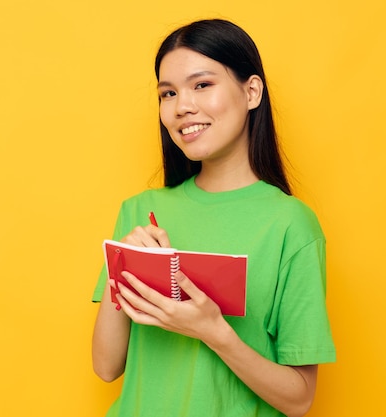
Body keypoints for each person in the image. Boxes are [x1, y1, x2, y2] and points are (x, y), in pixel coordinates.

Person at [91, 19, 335, 417]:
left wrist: (214, 332)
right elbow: (106, 366)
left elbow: (299, 399)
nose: (182, 106)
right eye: (167, 93)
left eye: (202, 85)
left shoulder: (291, 225)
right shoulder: (139, 212)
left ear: (251, 91)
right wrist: (123, 265)